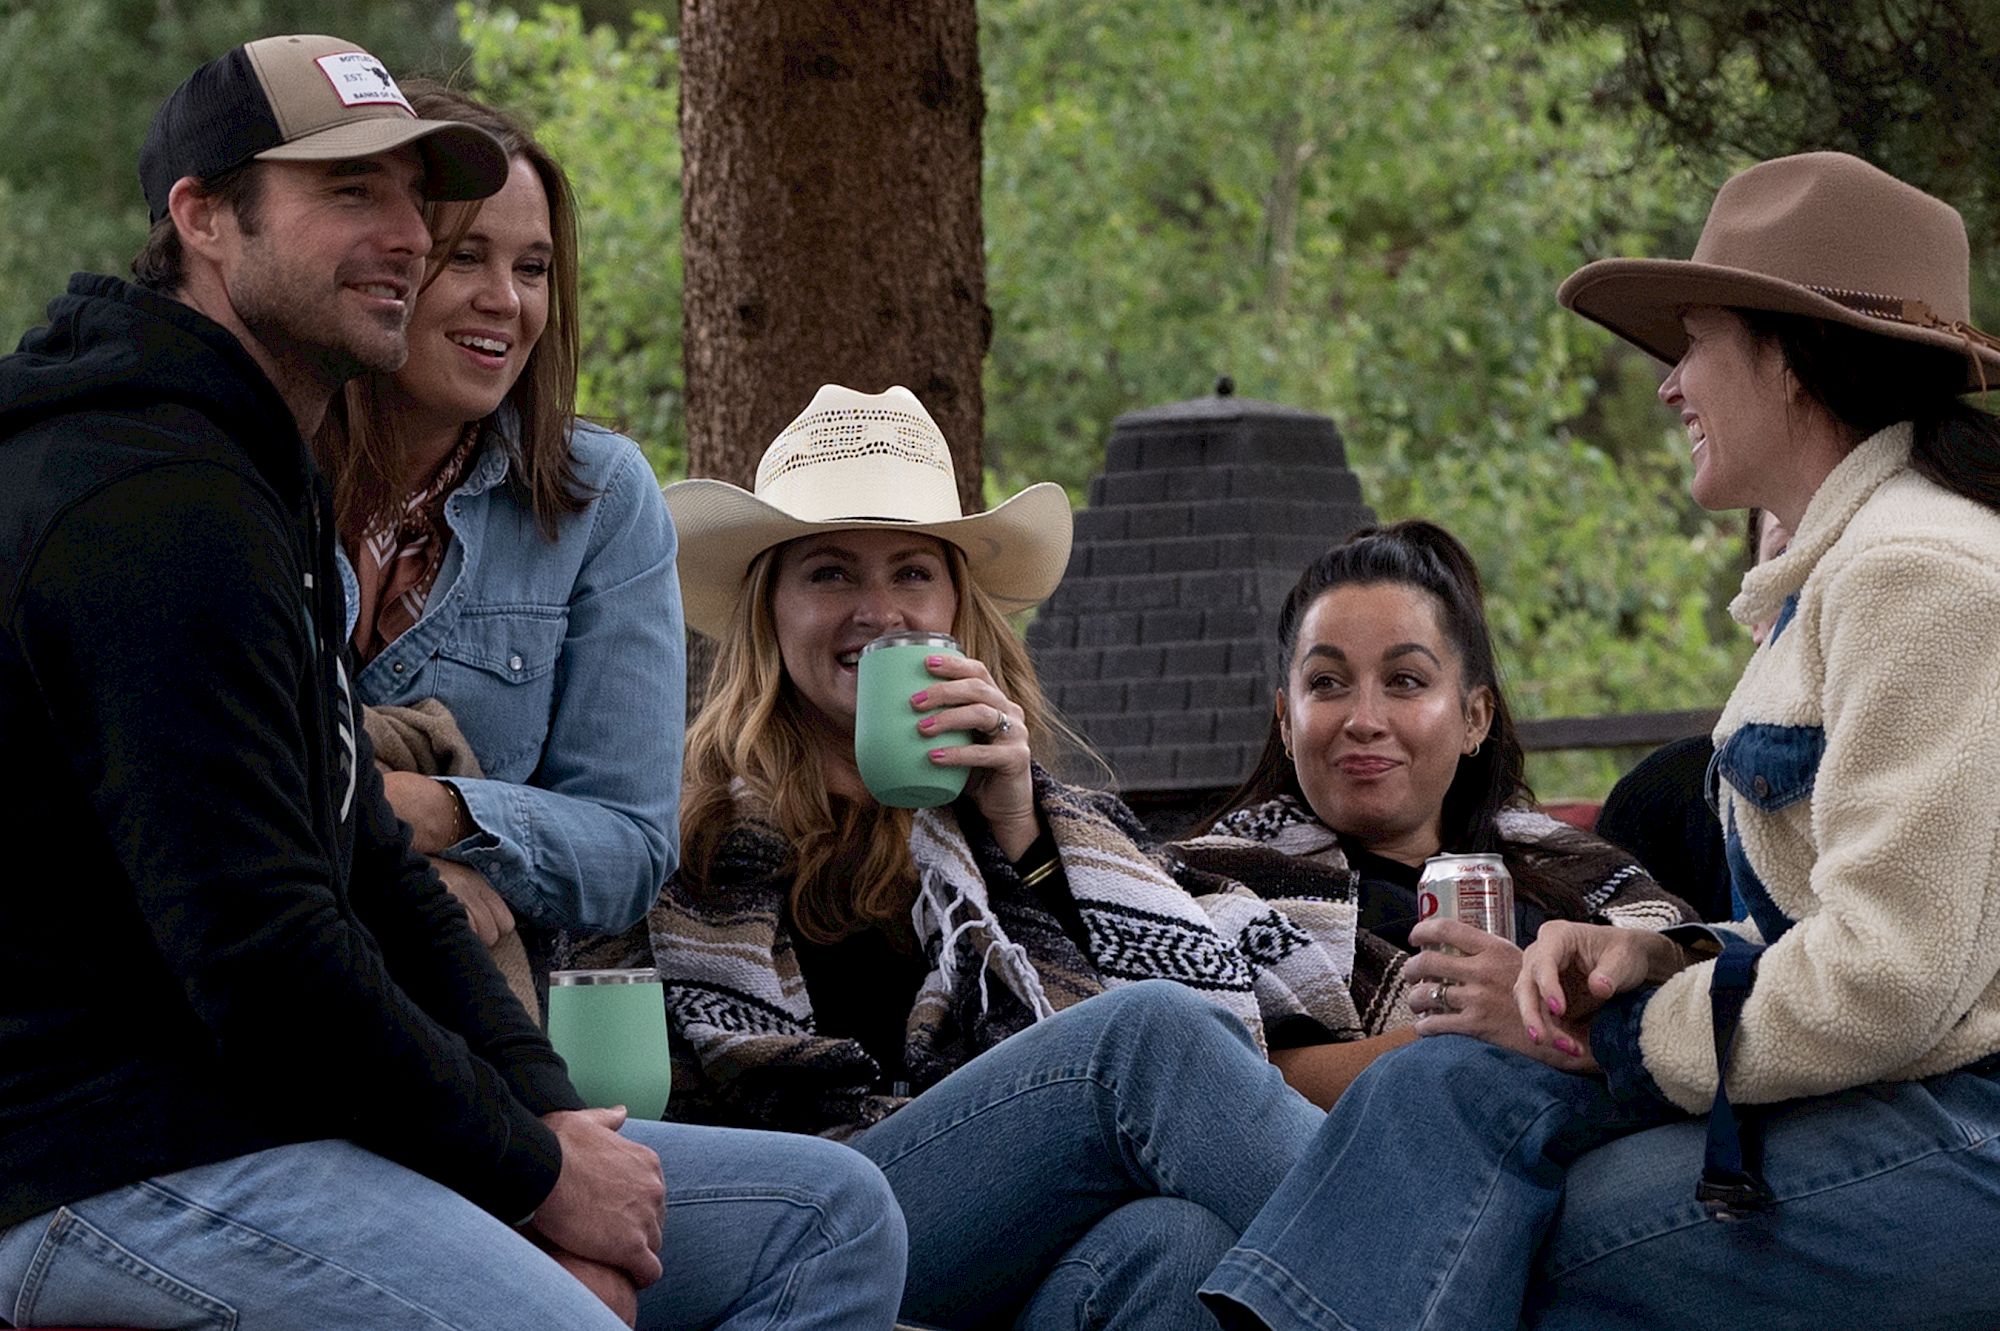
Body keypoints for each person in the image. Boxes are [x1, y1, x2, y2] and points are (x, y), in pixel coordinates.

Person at [0, 38, 902, 1331]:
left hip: (297, 1106)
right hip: (121, 1152)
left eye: (417, 200)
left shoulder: (253, 482)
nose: (407, 237)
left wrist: (553, 1123)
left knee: (830, 1218)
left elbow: (370, 858)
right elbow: (266, 951)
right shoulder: (151, 503)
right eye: (348, 193)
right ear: (203, 217)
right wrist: (537, 1178)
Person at [1199, 152, 2000, 1331]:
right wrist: (1655, 955)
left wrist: (1612, 1029)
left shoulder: (1912, 573)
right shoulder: (1838, 573)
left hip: (1954, 1133)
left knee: (1513, 1229)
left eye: (1693, 342)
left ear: (1785, 356)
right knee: (1444, 1087)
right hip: (1892, 1097)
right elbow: (1857, 937)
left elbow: (1891, 977)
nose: (1670, 386)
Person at [649, 383, 1325, 1330]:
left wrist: (1023, 836)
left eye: (913, 573)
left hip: (1002, 1251)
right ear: (770, 609)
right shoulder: (685, 845)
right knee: (1144, 1042)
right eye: (831, 573)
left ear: (959, 608)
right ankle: (1422, 1288)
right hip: (810, 1220)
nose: (878, 611)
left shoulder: (1046, 825)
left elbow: (1221, 1034)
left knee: (1176, 1248)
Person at [317, 83, 683, 1014]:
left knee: (828, 1174)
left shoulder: (599, 495)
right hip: (248, 1021)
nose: (504, 301)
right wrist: (394, 871)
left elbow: (630, 846)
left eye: (533, 267)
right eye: (465, 255)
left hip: (486, 1038)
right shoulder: (251, 473)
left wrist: (432, 813)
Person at [1180, 520, 1693, 1109]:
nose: (1363, 719)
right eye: (1326, 683)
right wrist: (1496, 1032)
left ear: (1474, 717)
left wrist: (1609, 985)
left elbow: (1701, 991)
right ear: (1285, 721)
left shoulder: (1575, 864)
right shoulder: (1213, 888)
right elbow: (1224, 1085)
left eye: (1404, 680)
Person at [1595, 507, 1790, 922]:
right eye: (1786, 550)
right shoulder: (1655, 807)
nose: (1815, 583)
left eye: (1842, 551)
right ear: (1753, 611)